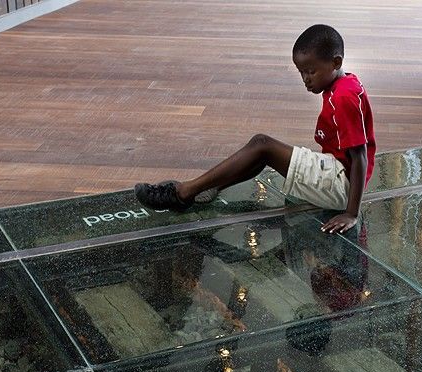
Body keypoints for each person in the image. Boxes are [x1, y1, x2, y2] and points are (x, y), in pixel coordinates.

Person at [135, 24, 376, 234]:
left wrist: (351, 213)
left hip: (341, 185)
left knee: (262, 146)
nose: (305, 79)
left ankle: (183, 193)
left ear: (336, 62)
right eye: (301, 72)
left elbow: (360, 156)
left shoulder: (343, 97)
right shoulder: (345, 84)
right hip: (338, 172)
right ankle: (209, 187)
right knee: (262, 153)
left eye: (311, 71)